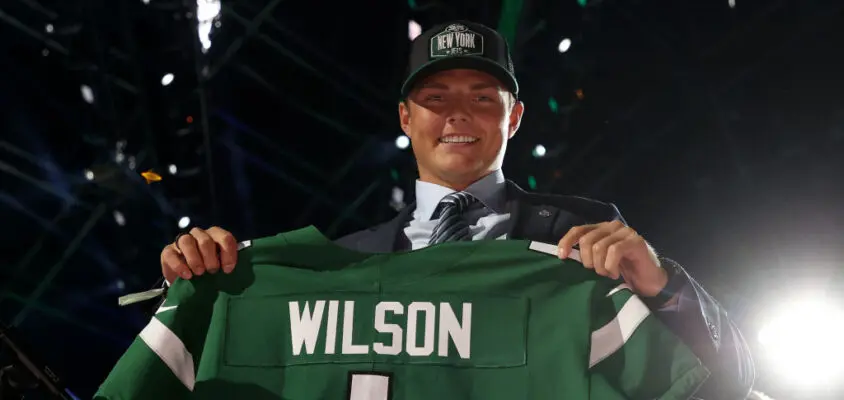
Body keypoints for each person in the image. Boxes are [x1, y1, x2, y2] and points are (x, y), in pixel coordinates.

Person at [156, 20, 754, 399]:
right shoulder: (339, 262)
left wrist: (664, 285)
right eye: (435, 98)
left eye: (481, 99)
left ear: (513, 118)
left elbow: (728, 385)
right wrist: (201, 282)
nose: (457, 115)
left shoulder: (588, 235)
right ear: (405, 119)